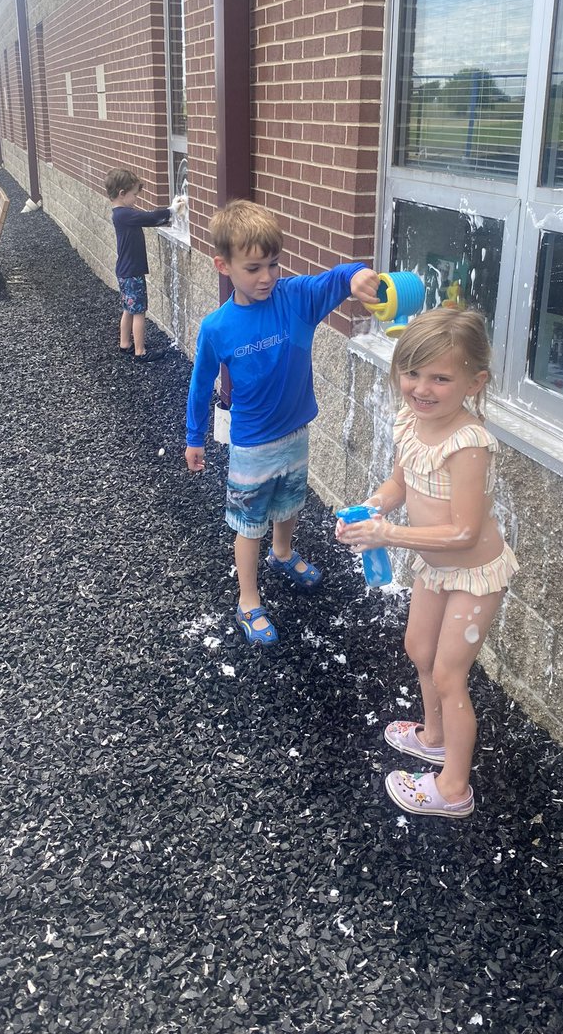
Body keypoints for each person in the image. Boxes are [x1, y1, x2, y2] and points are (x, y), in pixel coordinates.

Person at [336, 308, 518, 819]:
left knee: (448, 674)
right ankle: (434, 737)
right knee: (418, 647)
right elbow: (398, 484)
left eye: (440, 377)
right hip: (434, 567)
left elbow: (464, 531)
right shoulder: (410, 422)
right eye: (412, 372)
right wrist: (370, 511)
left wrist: (388, 534)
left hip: (474, 575)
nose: (422, 387)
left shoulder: (469, 444)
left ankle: (454, 788)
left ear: (474, 382)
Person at [185, 200, 380, 645]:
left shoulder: (294, 299)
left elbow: (336, 279)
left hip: (296, 433)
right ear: (223, 265)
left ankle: (284, 552)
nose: (267, 277)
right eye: (253, 268)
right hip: (252, 444)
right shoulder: (218, 327)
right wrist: (194, 437)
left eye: (273, 264)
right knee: (248, 521)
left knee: (290, 502)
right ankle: (249, 600)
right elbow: (200, 385)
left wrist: (357, 275)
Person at [105, 168, 186, 360]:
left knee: (128, 308)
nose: (136, 199)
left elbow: (146, 219)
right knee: (139, 311)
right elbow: (148, 218)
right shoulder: (124, 214)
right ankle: (140, 351)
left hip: (125, 270)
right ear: (122, 194)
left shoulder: (121, 213)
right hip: (132, 271)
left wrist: (168, 214)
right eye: (134, 195)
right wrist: (171, 211)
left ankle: (125, 344)